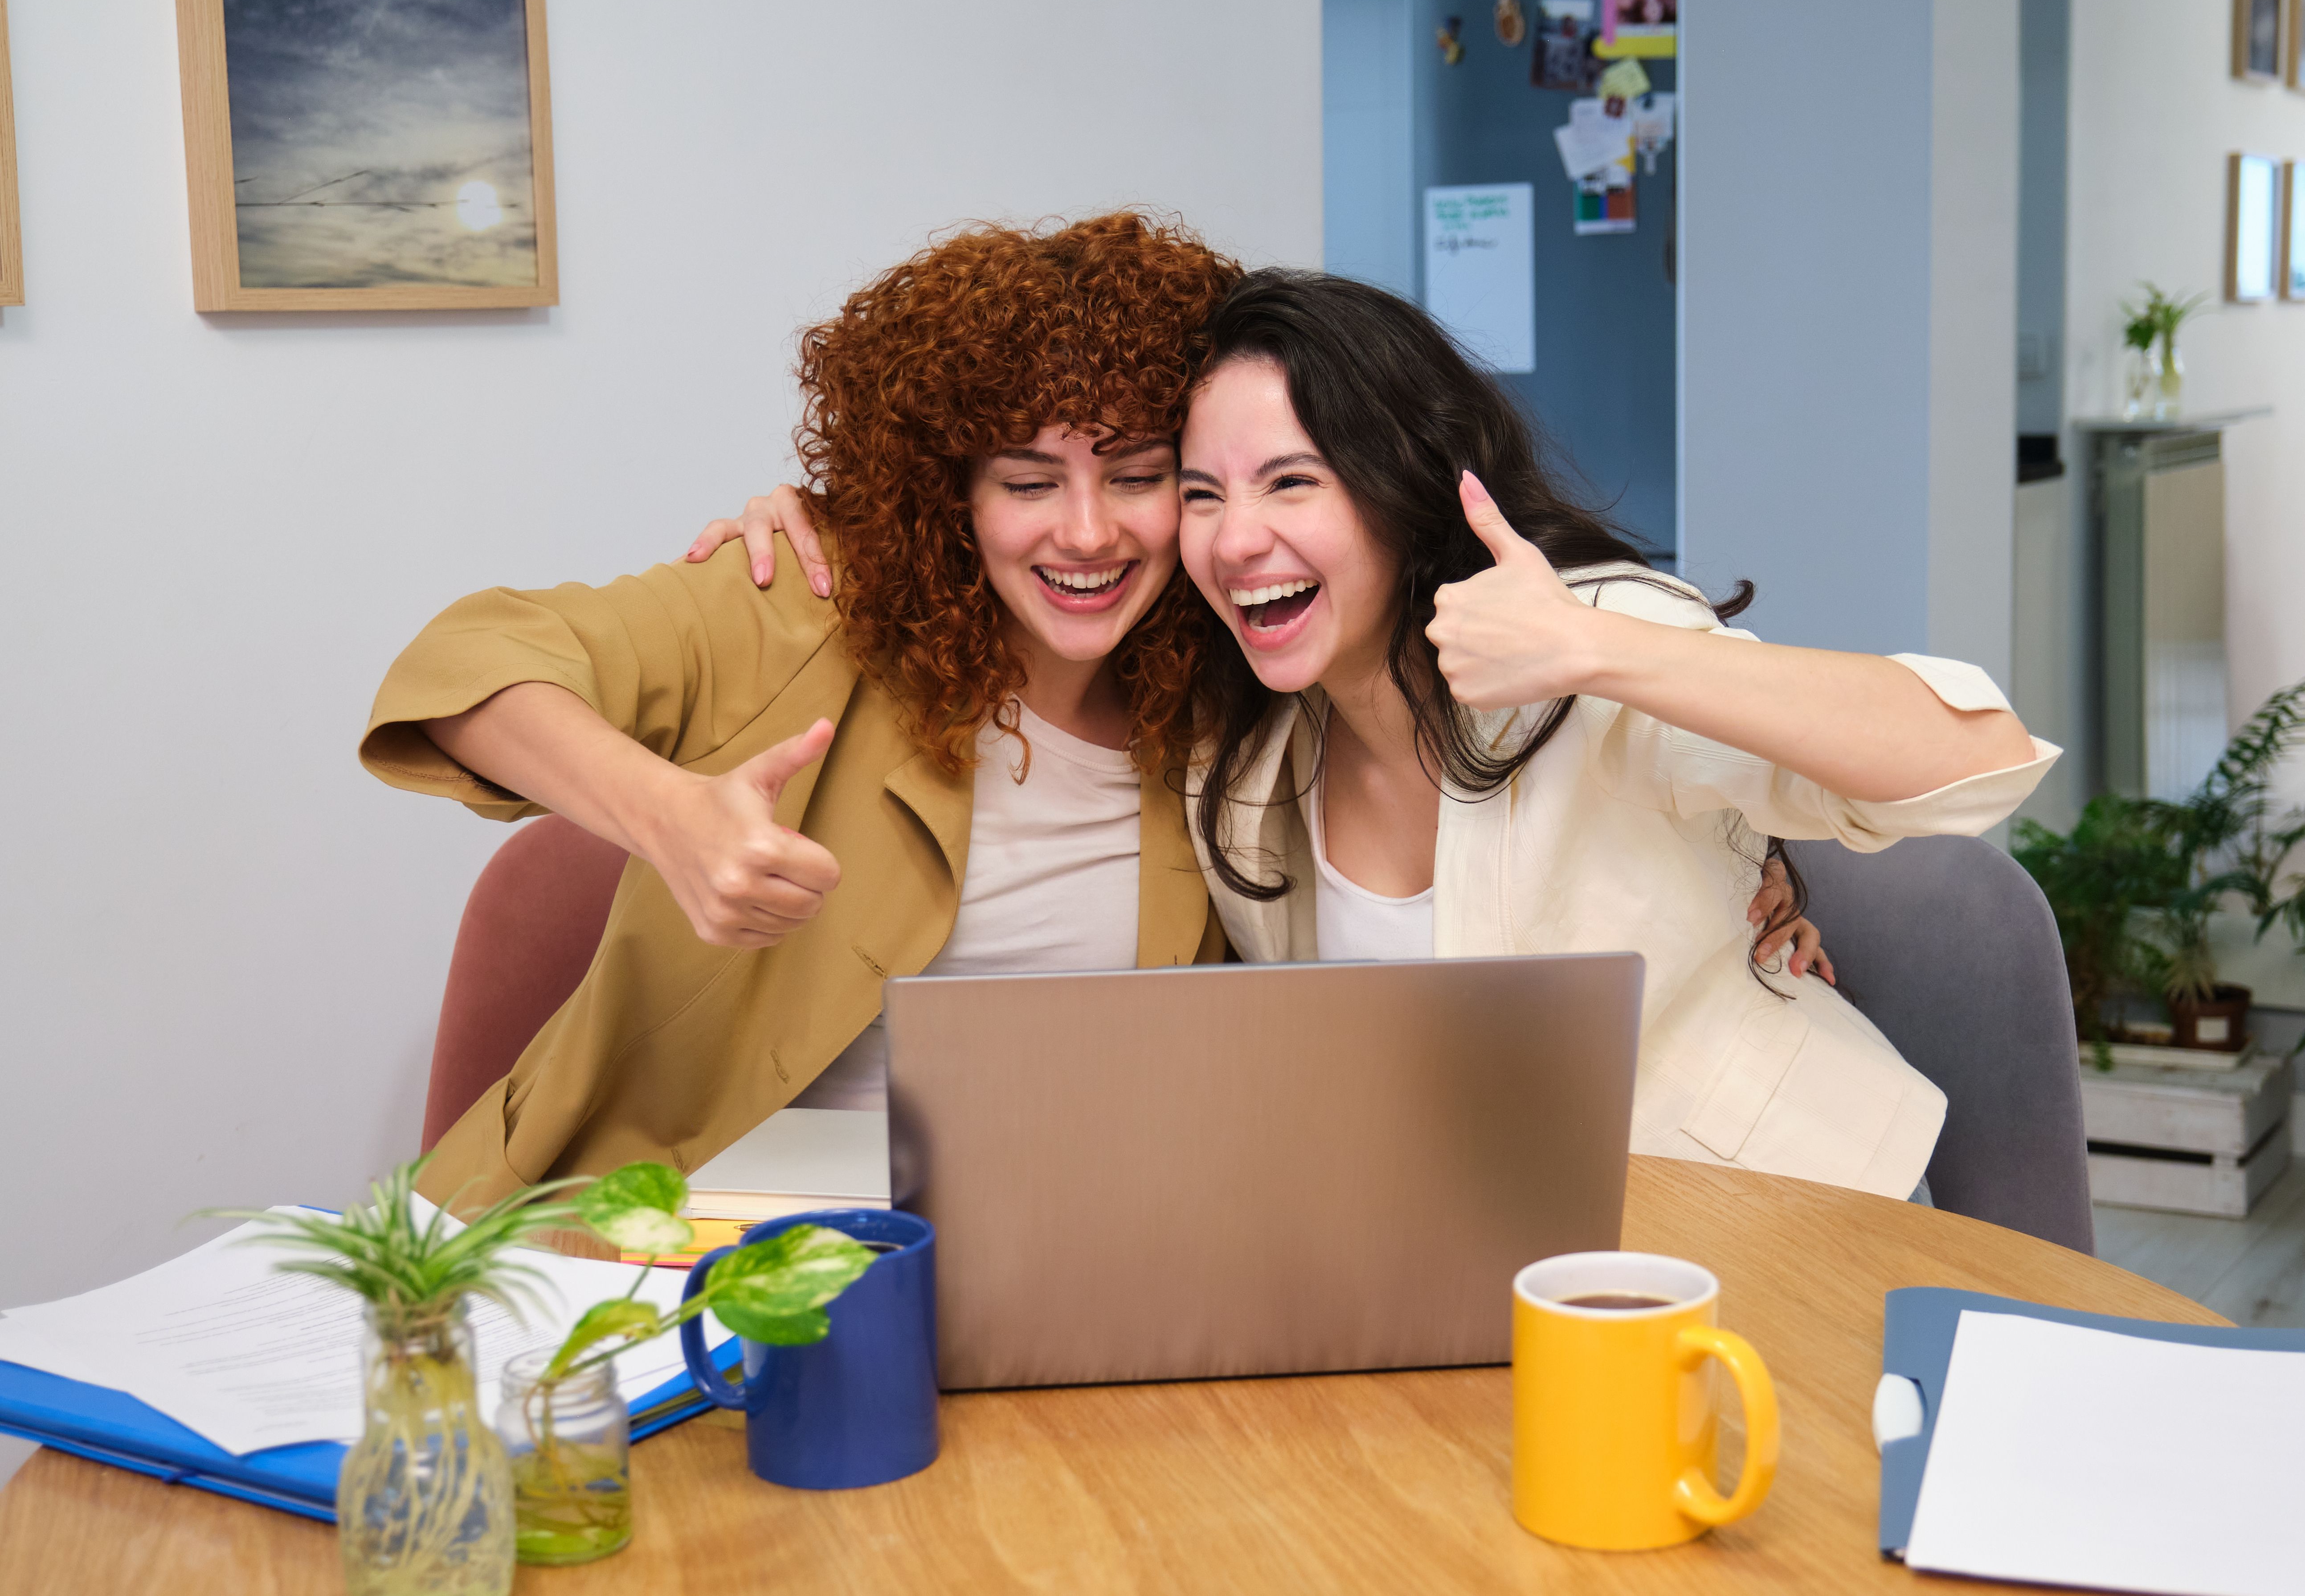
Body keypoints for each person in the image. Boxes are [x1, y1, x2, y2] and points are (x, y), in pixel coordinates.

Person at [361, 214, 1239, 1209]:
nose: (1089, 532)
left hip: (1043, 1244)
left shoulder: (1225, 696)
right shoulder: (805, 599)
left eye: (1137, 476)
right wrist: (668, 816)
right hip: (664, 1247)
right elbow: (460, 663)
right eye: (1029, 482)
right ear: (949, 490)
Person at [1166, 271, 2058, 1197]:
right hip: (1507, 1247)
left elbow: (1982, 757)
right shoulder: (1239, 764)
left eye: (1291, 482)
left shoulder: (1586, 640)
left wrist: (1596, 647)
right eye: (1201, 494)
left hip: (1787, 1205)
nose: (1235, 542)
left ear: (1400, 480)